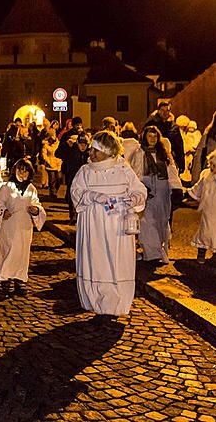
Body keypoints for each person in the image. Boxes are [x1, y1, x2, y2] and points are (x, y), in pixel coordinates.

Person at [70, 130, 147, 321]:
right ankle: (95, 300)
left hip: (118, 225)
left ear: (108, 150)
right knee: (96, 260)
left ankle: (116, 302)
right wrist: (91, 196)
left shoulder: (123, 169)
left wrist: (134, 198)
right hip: (93, 224)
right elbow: (76, 192)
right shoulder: (85, 171)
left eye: (96, 150)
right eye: (91, 150)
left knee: (116, 261)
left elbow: (140, 190)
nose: (92, 154)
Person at [0, 158, 46, 297]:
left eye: (25, 170)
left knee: (22, 254)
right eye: (20, 170)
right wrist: (2, 211)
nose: (22, 173)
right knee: (8, 250)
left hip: (24, 227)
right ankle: (5, 279)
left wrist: (36, 210)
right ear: (15, 170)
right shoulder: (7, 187)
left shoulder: (31, 189)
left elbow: (36, 203)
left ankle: (20, 280)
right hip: (10, 225)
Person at [127, 125, 182, 264]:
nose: (152, 139)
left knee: (161, 222)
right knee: (147, 221)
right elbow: (135, 172)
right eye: (149, 136)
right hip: (147, 191)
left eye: (155, 136)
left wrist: (176, 188)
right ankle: (152, 254)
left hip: (162, 192)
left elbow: (171, 171)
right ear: (145, 137)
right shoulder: (139, 154)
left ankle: (159, 249)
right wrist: (140, 187)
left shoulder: (164, 154)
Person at [145, 101, 185, 173]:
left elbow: (179, 146)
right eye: (162, 110)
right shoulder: (151, 124)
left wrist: (181, 163)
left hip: (170, 158)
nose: (165, 113)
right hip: (154, 158)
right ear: (158, 111)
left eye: (167, 110)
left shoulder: (174, 126)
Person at [61, 134, 91, 219]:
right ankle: (73, 216)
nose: (82, 146)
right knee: (72, 197)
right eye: (80, 144)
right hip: (72, 177)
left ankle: (80, 216)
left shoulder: (89, 154)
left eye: (84, 144)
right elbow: (59, 153)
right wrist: (66, 144)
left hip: (85, 180)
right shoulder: (72, 151)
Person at [41, 128, 63, 200]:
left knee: (59, 179)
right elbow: (44, 154)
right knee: (52, 179)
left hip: (58, 163)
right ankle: (52, 193)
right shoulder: (46, 145)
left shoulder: (58, 144)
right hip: (50, 164)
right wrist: (48, 161)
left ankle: (55, 190)